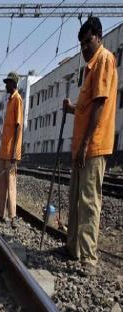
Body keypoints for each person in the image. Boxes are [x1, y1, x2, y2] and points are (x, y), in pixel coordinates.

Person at [57, 17, 117, 276]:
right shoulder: (90, 68)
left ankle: (88, 258)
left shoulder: (104, 60)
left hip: (93, 146)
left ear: (99, 38)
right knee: (75, 200)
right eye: (81, 44)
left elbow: (100, 105)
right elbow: (86, 107)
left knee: (89, 202)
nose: (84, 49)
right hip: (81, 147)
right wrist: (71, 109)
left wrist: (83, 145)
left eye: (88, 42)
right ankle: (73, 249)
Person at [0, 71, 23, 229]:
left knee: (11, 184)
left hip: (11, 152)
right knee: (1, 183)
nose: (6, 85)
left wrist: (14, 151)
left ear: (14, 83)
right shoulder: (9, 100)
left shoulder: (17, 99)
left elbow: (18, 126)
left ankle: (13, 217)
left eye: (9, 82)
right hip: (4, 150)